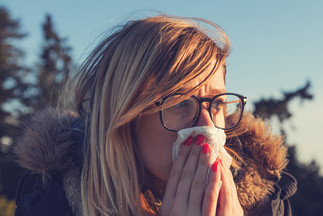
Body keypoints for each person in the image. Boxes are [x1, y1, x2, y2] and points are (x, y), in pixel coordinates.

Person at [13, 15, 296, 215]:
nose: (208, 128)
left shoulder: (267, 204)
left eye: (217, 105)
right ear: (125, 119)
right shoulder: (50, 207)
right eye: (180, 103)